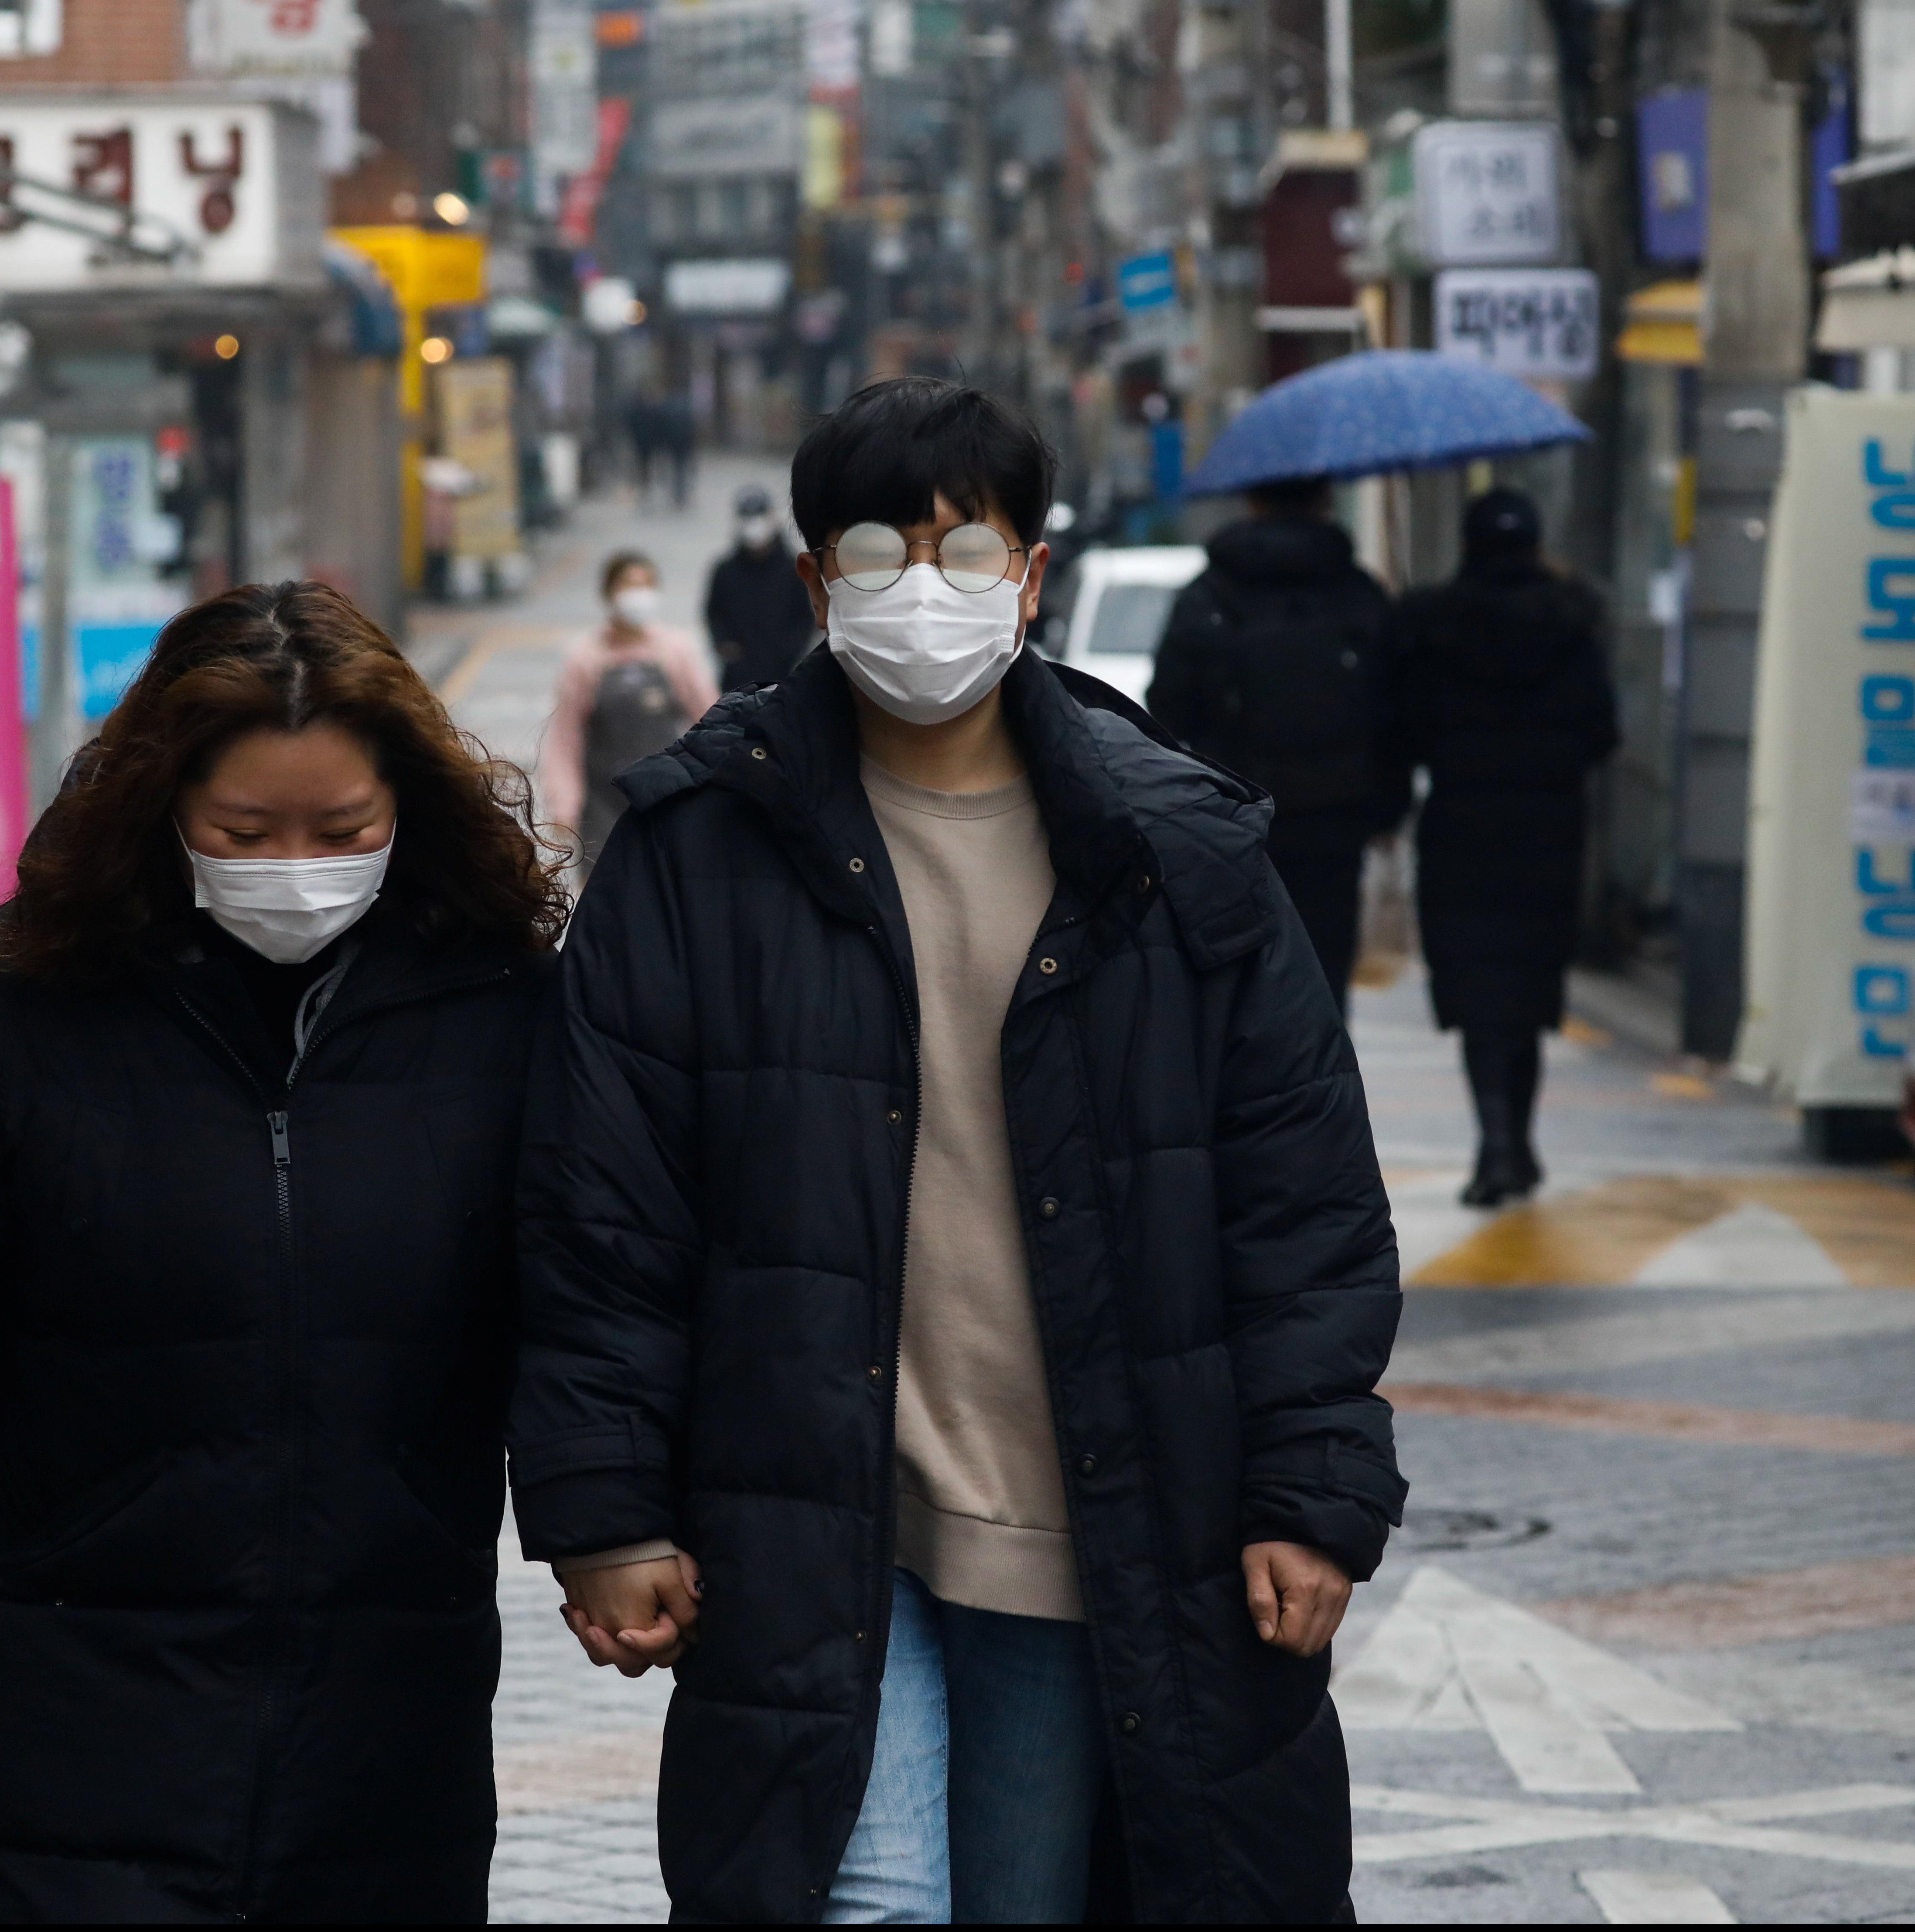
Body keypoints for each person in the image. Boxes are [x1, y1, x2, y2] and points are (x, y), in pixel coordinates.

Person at [509, 378, 1405, 1923]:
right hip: (801, 1524)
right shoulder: (694, 850)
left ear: (1032, 575)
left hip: (1080, 1521)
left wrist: (1315, 1487)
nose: (923, 591)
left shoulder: (1172, 855)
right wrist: (604, 1507)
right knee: (867, 1902)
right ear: (811, 583)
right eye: (874, 555)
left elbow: (1301, 1196)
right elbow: (602, 1210)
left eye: (966, 552)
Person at [0, 582, 563, 1919]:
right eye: (245, 830)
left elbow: (598, 1296)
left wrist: (619, 1526)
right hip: (91, 1708)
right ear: (165, 806)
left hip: (393, 1716)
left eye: (343, 829)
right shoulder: (20, 1005)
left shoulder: (499, 1005)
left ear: (410, 808)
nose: (297, 864)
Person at [1390, 487, 1619, 1207]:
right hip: (1549, 836)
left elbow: (1406, 728)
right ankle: (1515, 1142)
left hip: (1462, 828)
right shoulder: (1572, 624)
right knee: (1527, 994)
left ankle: (1496, 1141)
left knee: (1478, 991)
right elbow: (1602, 733)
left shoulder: (1433, 627)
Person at [1147, 472, 1408, 1008]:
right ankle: (1323, 1081)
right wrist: (1387, 811)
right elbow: (1395, 713)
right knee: (1324, 968)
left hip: (1232, 815)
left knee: (1239, 972)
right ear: (1325, 496)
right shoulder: (1357, 592)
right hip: (1337, 816)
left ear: (1250, 495)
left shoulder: (1210, 594)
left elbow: (1168, 709)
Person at [536, 549, 719, 858]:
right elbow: (565, 739)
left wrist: (714, 788)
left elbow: (711, 721)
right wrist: (563, 804)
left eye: (646, 585)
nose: (638, 595)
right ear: (608, 593)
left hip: (666, 801)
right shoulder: (586, 657)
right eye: (628, 586)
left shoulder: (676, 651)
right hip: (602, 805)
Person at [706, 484, 818, 690]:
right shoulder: (725, 570)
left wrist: (790, 653)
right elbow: (714, 614)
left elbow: (807, 616)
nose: (754, 525)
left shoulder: (793, 569)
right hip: (737, 678)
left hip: (785, 674)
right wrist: (725, 645)